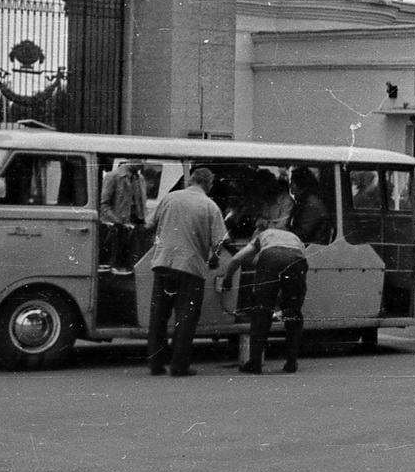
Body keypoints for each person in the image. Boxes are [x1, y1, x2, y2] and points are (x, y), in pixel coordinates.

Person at [147, 166, 228, 377]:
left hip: (163, 262)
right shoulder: (210, 206)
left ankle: (156, 363)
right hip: (191, 267)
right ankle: (179, 365)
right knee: (186, 317)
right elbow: (219, 242)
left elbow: (150, 224)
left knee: (159, 315)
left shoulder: (170, 198)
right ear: (209, 184)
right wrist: (214, 259)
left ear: (190, 180)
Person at [220, 227, 309, 374]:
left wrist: (227, 279)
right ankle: (291, 362)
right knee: (293, 314)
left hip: (270, 257)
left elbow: (236, 259)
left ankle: (254, 363)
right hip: (297, 259)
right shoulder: (294, 238)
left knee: (261, 313)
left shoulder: (260, 237)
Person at [100, 160, 147, 274]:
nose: (142, 163)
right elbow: (104, 204)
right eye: (139, 159)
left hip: (137, 223)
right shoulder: (113, 177)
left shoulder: (140, 178)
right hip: (118, 227)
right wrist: (119, 222)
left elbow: (142, 203)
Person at [289, 167, 333, 245]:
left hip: (311, 247)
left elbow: (301, 233)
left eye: (292, 183)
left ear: (299, 184)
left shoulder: (312, 204)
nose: (291, 187)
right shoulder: (305, 201)